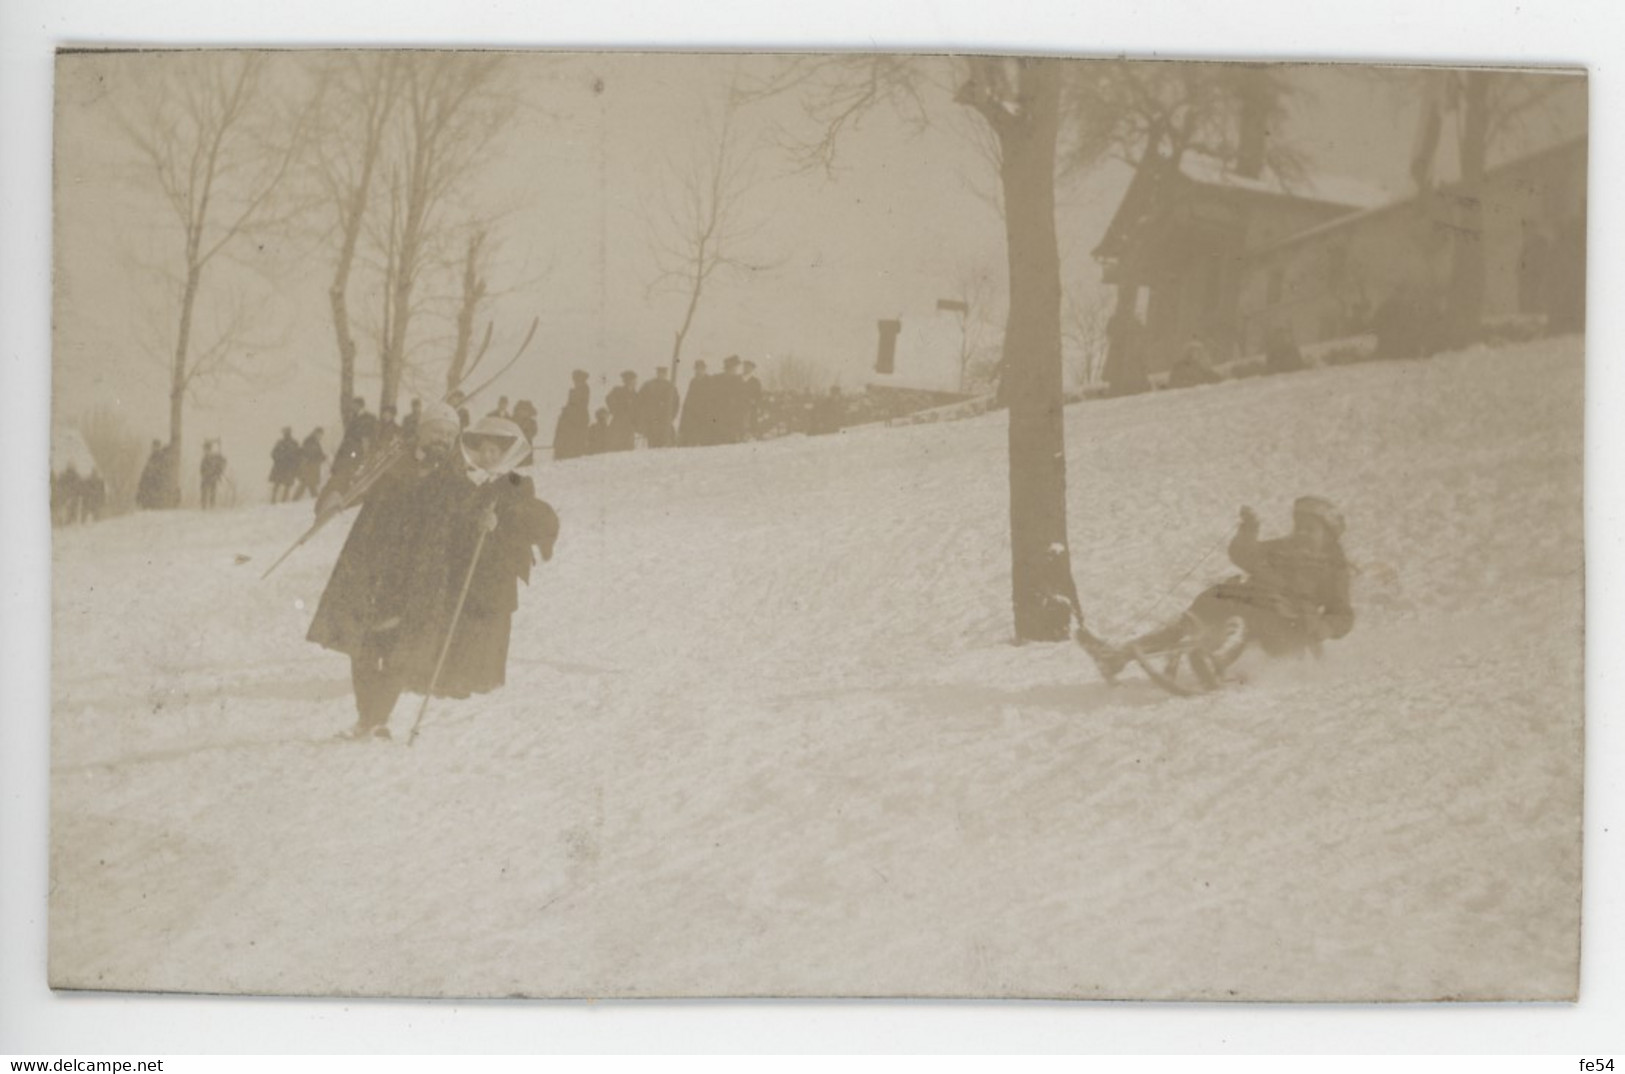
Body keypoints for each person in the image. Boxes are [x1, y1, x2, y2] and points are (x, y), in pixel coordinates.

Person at [383, 416, 560, 724]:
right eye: (485, 450)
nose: (489, 457)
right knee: (461, 617)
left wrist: (499, 523)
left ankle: (482, 677)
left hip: (498, 563)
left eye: (495, 452)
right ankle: (449, 675)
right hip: (466, 559)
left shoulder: (517, 482)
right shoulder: (464, 480)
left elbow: (525, 518)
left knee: (489, 618)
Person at [306, 403, 464, 741]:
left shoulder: (455, 474)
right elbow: (353, 478)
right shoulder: (390, 458)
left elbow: (469, 511)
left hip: (421, 572)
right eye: (438, 431)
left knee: (401, 646)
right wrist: (335, 496)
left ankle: (376, 718)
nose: (444, 440)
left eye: (451, 435)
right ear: (421, 430)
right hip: (374, 564)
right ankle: (369, 717)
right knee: (362, 642)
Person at [1085, 496, 1355, 682]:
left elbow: (1342, 614)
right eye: (1300, 527)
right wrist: (1249, 530)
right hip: (1255, 606)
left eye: (1311, 530)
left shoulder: (1333, 570)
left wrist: (1324, 627)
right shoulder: (1280, 549)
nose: (1302, 533)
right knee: (1197, 619)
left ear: (1328, 536)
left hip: (1289, 630)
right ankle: (1119, 656)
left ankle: (1216, 662)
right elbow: (1244, 554)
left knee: (1242, 621)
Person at [1102, 305, 1152, 397]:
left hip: (1133, 355)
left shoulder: (1135, 322)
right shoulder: (1117, 320)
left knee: (1134, 372)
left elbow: (1142, 335)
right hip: (1121, 354)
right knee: (1118, 374)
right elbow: (1109, 332)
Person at [636, 366, 680, 448]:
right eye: (660, 373)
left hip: (665, 420)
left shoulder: (670, 387)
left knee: (667, 442)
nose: (661, 375)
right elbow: (640, 401)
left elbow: (676, 404)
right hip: (652, 420)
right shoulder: (649, 385)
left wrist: (671, 416)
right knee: (653, 443)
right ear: (657, 373)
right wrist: (644, 416)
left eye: (663, 373)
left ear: (666, 374)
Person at [553, 371, 591, 461]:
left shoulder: (583, 391)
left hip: (576, 422)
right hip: (571, 421)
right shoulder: (576, 391)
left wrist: (567, 411)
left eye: (578, 380)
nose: (576, 382)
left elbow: (578, 405)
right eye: (575, 380)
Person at [678, 360, 711, 446]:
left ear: (704, 369)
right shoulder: (693, 382)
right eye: (697, 369)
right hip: (694, 416)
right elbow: (689, 399)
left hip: (706, 415)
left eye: (701, 369)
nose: (699, 371)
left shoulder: (709, 381)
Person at [605, 371, 639, 451]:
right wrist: (615, 410)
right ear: (626, 381)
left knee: (628, 447)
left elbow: (638, 410)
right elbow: (608, 399)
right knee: (615, 445)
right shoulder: (618, 390)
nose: (634, 382)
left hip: (630, 424)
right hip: (618, 421)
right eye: (631, 380)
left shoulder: (636, 395)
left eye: (634, 380)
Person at [269, 427, 300, 503]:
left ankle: (284, 500)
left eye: (287, 432)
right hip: (280, 466)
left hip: (289, 466)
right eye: (285, 432)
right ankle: (273, 500)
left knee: (287, 484)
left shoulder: (294, 443)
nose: (286, 434)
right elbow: (273, 454)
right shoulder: (280, 443)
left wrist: (295, 463)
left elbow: (298, 455)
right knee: (277, 483)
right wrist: (280, 457)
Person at [295, 428, 326, 501]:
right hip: (309, 466)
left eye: (321, 435)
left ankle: (313, 498)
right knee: (308, 483)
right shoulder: (310, 441)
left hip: (312, 466)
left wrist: (322, 457)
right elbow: (310, 453)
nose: (320, 436)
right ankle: (314, 499)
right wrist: (321, 457)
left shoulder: (314, 442)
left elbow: (318, 453)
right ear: (315, 433)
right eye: (319, 434)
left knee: (309, 484)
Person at [200, 440, 227, 510]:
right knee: (204, 492)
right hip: (205, 477)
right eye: (205, 449)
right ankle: (204, 507)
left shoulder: (215, 456)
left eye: (207, 449)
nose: (205, 451)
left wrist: (219, 471)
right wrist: (203, 474)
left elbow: (223, 461)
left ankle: (212, 506)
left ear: (209, 449)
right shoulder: (205, 458)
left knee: (212, 492)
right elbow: (202, 468)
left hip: (212, 477)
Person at [740, 360, 764, 440]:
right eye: (745, 366)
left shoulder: (755, 381)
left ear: (752, 369)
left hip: (750, 405)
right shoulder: (738, 379)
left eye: (749, 367)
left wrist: (755, 401)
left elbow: (758, 394)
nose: (746, 369)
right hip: (739, 404)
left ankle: (749, 435)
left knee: (750, 419)